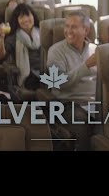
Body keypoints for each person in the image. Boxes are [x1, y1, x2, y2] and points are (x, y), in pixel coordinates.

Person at [46, 11, 97, 151]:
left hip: (94, 103)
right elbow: (59, 83)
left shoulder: (95, 50)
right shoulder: (55, 51)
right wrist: (86, 66)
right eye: (66, 26)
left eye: (73, 27)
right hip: (67, 103)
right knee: (81, 123)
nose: (68, 30)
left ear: (85, 30)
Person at [0, 3, 41, 91]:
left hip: (44, 69)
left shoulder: (42, 33)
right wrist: (1, 37)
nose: (26, 20)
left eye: (28, 15)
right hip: (28, 75)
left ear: (33, 17)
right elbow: (0, 56)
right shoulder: (14, 38)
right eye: (21, 17)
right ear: (17, 21)